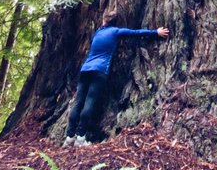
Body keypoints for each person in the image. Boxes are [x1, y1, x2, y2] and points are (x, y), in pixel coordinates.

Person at [63, 13, 170, 146]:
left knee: (78, 103)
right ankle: (80, 138)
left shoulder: (97, 32)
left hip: (85, 70)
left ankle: (69, 137)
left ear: (104, 21)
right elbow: (136, 33)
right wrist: (156, 32)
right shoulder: (116, 31)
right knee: (89, 102)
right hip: (100, 70)